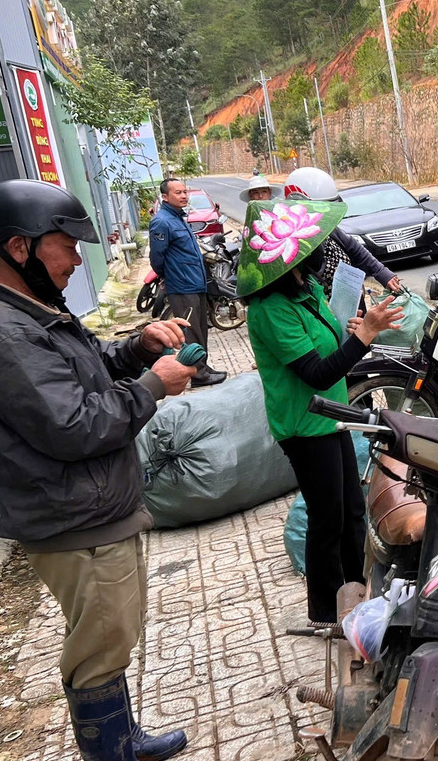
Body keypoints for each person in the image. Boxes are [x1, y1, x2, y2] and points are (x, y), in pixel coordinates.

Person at [0, 180, 196, 761]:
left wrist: (138, 349)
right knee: (100, 643)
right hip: (72, 520)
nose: (75, 259)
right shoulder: (4, 334)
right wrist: (151, 386)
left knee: (113, 634)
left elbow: (87, 366)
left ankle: (127, 737)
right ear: (20, 247)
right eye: (66, 245)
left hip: (93, 509)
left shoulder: (34, 310)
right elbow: (73, 425)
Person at [241, 201, 404, 624]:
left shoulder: (306, 288)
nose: (323, 252)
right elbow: (315, 371)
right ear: (291, 256)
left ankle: (356, 593)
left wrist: (354, 328)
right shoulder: (270, 309)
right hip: (303, 427)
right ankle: (326, 611)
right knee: (327, 518)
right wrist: (364, 336)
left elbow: (330, 341)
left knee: (352, 509)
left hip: (333, 415)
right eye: (312, 247)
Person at [148, 177, 227, 386]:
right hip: (182, 286)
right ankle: (198, 375)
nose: (184, 196)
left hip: (195, 284)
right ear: (165, 197)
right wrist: (168, 277)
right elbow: (157, 258)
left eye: (185, 192)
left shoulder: (178, 218)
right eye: (178, 192)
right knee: (191, 332)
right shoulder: (161, 222)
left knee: (201, 329)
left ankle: (203, 367)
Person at [280, 167, 403, 297]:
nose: (328, 215)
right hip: (325, 312)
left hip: (353, 306)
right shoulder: (289, 244)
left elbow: (355, 249)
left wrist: (382, 273)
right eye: (323, 209)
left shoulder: (328, 228)